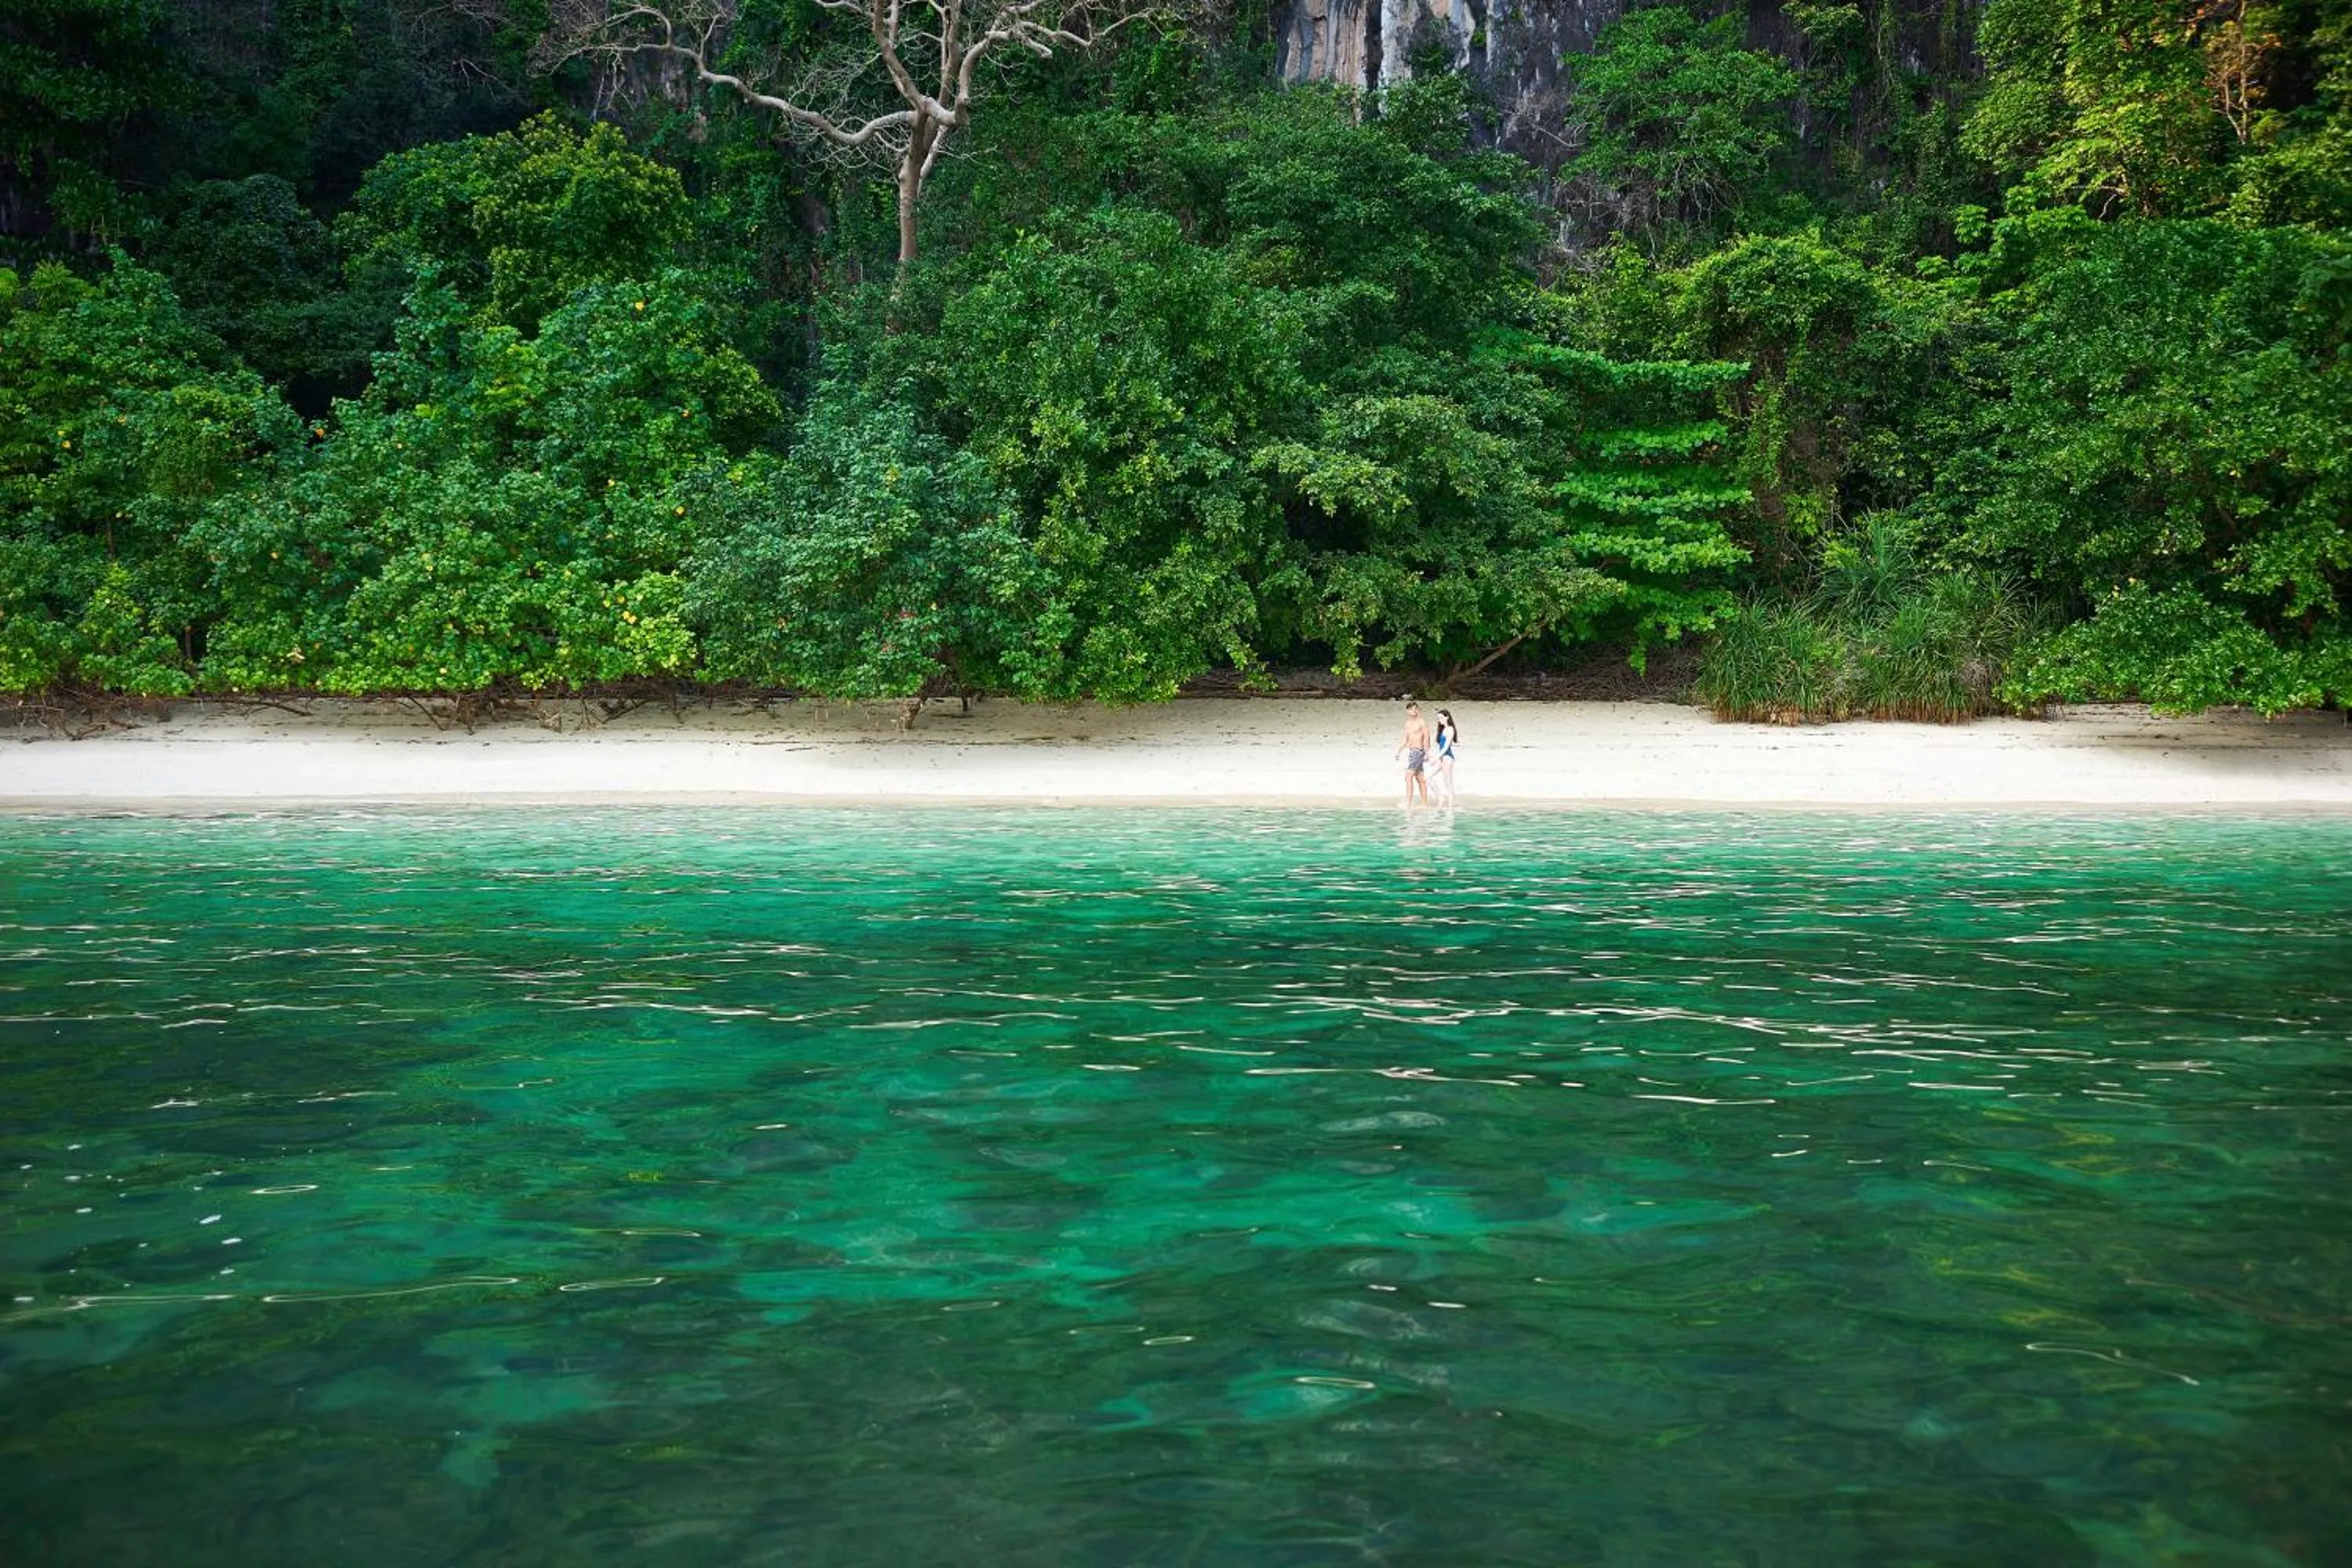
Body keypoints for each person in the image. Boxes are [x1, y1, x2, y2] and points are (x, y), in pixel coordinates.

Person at [1396, 701, 1432, 805]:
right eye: (1411, 709)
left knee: (1408, 776)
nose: (1414, 711)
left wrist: (1427, 752)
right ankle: (1424, 803)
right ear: (1407, 711)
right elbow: (1405, 739)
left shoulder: (1421, 722)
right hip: (1412, 752)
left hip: (1419, 751)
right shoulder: (1408, 724)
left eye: (1416, 709)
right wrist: (1399, 751)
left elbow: (1427, 737)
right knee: (1420, 777)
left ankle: (1408, 802)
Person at [1432, 709, 1459, 804]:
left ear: (1447, 717)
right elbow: (1440, 745)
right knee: (1427, 777)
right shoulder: (1442, 729)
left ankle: (1450, 806)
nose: (1439, 720)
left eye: (1441, 718)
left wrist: (1436, 758)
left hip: (1447, 757)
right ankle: (1441, 797)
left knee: (1448, 783)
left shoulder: (1450, 729)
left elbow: (1446, 747)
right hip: (1442, 758)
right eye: (1438, 718)